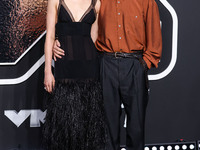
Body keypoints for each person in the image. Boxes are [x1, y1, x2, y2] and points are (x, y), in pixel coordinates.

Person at [53, 0, 162, 150]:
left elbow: (154, 39)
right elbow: (81, 26)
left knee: (136, 127)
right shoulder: (99, 1)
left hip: (134, 64)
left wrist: (143, 65)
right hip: (106, 63)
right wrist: (59, 40)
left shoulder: (146, 2)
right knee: (107, 128)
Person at [43, 0, 106, 149]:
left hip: (89, 68)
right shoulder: (55, 1)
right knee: (64, 124)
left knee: (88, 124)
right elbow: (49, 36)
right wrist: (47, 71)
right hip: (64, 67)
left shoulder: (96, 3)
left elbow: (94, 37)